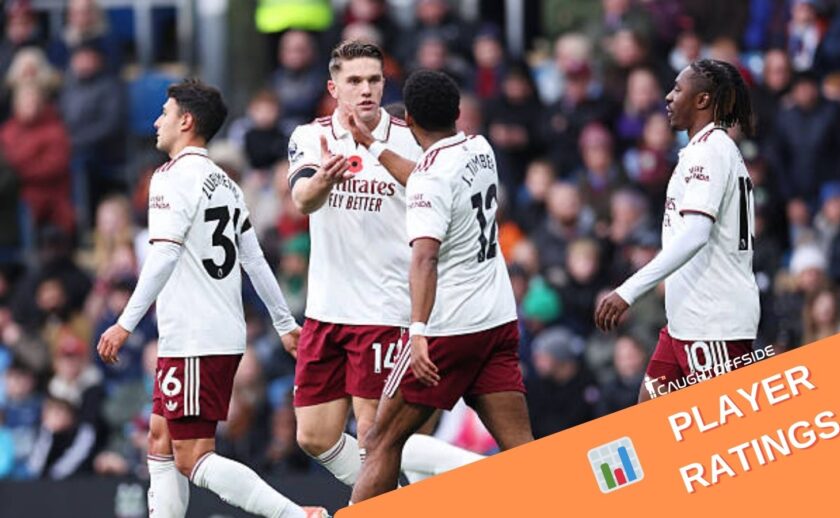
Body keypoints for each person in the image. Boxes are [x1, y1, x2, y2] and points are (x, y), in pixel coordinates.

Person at [96, 79, 327, 518]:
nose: (156, 121)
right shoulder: (225, 182)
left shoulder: (169, 178)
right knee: (160, 439)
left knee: (192, 456)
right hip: (211, 332)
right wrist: (283, 324)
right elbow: (254, 260)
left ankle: (297, 516)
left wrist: (125, 323)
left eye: (164, 112)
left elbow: (163, 254)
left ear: (186, 121)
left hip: (194, 337)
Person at [286, 41, 483, 490]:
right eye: (354, 81)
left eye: (374, 79)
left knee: (375, 439)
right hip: (325, 310)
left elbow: (438, 189)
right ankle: (403, 498)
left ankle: (470, 476)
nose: (366, 89)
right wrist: (324, 179)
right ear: (333, 87)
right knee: (313, 436)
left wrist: (373, 150)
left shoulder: (408, 136)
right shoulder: (309, 137)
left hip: (386, 310)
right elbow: (302, 200)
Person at [351, 70, 534, 503]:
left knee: (381, 441)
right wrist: (373, 145)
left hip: (449, 330)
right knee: (524, 451)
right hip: (498, 321)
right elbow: (428, 178)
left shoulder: (432, 178)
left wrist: (417, 331)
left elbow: (425, 256)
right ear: (457, 112)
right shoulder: (480, 148)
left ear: (408, 119)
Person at [594, 59, 760, 402]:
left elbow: (697, 233)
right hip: (686, 322)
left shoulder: (709, 152)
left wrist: (628, 290)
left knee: (722, 439)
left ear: (702, 100)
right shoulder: (707, 150)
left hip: (714, 324)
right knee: (646, 428)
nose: (668, 97)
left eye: (678, 89)